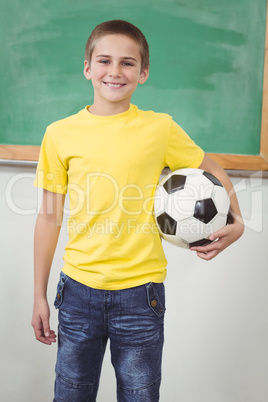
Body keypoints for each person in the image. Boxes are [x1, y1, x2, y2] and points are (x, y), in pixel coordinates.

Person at [31, 19, 244, 402]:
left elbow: (210, 168)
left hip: (141, 295)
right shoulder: (59, 134)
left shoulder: (160, 128)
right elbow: (49, 216)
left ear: (143, 73)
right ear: (87, 67)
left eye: (128, 63)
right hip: (78, 293)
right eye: (104, 61)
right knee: (71, 394)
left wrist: (238, 220)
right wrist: (38, 294)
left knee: (140, 395)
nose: (115, 71)